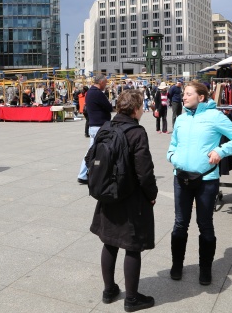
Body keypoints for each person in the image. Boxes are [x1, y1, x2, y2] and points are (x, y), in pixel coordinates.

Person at [167, 81, 232, 285]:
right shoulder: (181, 119)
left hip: (206, 180)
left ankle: (205, 268)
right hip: (181, 177)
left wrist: (220, 151)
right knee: (179, 224)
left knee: (205, 225)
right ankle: (177, 264)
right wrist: (172, 156)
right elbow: (173, 143)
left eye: (188, 94)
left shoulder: (215, 116)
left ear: (201, 97)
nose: (183, 97)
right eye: (183, 94)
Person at [90, 89, 157, 311]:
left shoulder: (106, 127)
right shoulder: (137, 132)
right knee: (132, 246)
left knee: (109, 242)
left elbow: (90, 159)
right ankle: (132, 299)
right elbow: (144, 171)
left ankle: (109, 290)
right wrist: (152, 194)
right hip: (131, 197)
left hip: (107, 195)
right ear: (136, 109)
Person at [77, 75, 113, 184]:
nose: (106, 85)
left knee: (93, 150)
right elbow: (109, 107)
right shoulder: (97, 93)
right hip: (99, 126)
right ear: (101, 82)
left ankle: (87, 174)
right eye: (105, 83)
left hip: (95, 125)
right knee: (94, 151)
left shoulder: (90, 92)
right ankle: (83, 175)